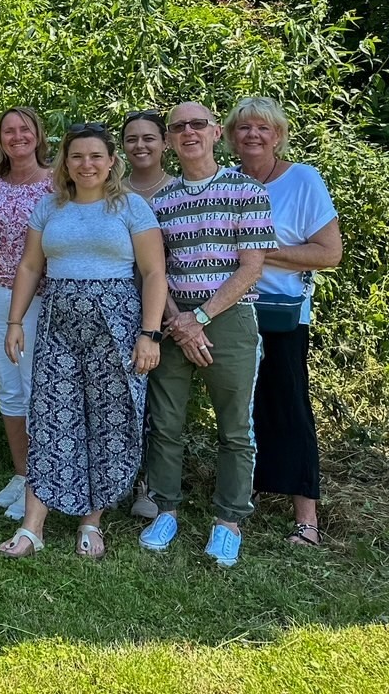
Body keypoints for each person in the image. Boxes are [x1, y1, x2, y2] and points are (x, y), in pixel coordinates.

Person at [0, 123, 166, 559]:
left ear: (111, 161)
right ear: (65, 163)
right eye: (76, 156)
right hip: (57, 325)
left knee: (109, 420)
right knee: (50, 415)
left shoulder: (131, 207)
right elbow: (30, 266)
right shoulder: (50, 207)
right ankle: (32, 527)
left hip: (117, 327)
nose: (86, 164)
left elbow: (153, 273)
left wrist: (149, 334)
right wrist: (15, 321)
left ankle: (92, 522)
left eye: (95, 156)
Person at [142, 102, 276, 567]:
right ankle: (165, 511)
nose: (188, 132)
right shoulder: (161, 202)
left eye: (198, 124)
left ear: (216, 132)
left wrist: (199, 317)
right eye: (178, 127)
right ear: (169, 140)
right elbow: (155, 271)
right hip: (173, 321)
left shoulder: (247, 190)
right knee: (165, 422)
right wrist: (179, 320)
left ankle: (229, 521)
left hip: (230, 320)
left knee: (235, 428)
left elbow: (251, 267)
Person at [225, 96, 341, 547]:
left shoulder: (302, 179)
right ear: (230, 137)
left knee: (289, 405)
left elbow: (329, 252)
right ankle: (242, 496)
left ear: (278, 135)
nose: (252, 135)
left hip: (281, 312)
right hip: (231, 308)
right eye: (243, 128)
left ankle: (306, 518)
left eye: (263, 128)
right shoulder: (226, 181)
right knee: (240, 408)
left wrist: (259, 254)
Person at [0, 107, 52, 522]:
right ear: (0, 139)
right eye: (9, 130)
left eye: (25, 129)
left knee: (35, 386)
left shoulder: (59, 183)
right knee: (8, 386)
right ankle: (22, 473)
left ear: (38, 135)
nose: (17, 136)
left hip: (40, 298)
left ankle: (41, 482)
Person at [120, 108, 175, 520]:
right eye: (132, 138)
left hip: (175, 312)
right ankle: (121, 477)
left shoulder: (179, 190)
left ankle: (153, 485)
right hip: (121, 309)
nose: (140, 145)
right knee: (127, 398)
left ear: (165, 143)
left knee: (163, 401)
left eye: (149, 137)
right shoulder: (110, 191)